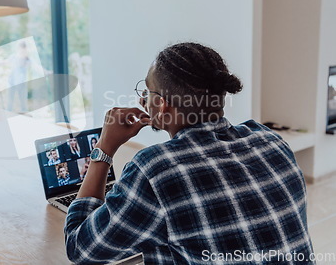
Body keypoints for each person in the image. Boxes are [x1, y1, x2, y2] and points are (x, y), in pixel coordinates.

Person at [64, 42, 314, 264]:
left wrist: (104, 148)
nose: (142, 100)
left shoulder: (156, 169)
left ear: (161, 105)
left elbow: (80, 249)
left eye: (147, 92)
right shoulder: (270, 140)